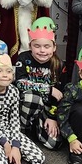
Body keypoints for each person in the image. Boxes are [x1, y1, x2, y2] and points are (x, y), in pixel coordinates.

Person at [0, 51, 45, 164]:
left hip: (9, 130)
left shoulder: (13, 91)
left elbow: (14, 120)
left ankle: (13, 153)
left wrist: (15, 145)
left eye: (8, 72)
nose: (5, 75)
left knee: (38, 159)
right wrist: (4, 143)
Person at [13, 17, 63, 150]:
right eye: (37, 46)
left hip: (46, 109)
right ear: (30, 46)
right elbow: (19, 83)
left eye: (47, 46)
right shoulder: (23, 58)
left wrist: (53, 117)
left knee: (54, 144)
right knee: (33, 97)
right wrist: (48, 89)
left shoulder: (58, 64)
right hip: (25, 106)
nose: (42, 50)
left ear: (54, 47)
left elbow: (60, 95)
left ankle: (37, 128)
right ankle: (22, 132)